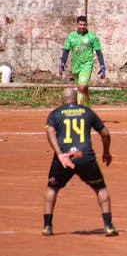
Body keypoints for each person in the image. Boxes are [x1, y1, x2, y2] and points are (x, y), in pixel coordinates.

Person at [43, 87, 117, 236]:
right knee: (100, 189)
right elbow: (105, 133)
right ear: (76, 99)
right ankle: (108, 226)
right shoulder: (87, 111)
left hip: (64, 158)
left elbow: (49, 131)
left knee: (52, 188)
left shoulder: (55, 113)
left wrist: (59, 154)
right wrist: (106, 152)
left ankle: (47, 226)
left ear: (62, 101)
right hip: (85, 157)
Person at [59, 15, 106, 107]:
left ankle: (80, 111)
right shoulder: (71, 36)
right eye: (80, 24)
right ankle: (89, 111)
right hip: (76, 66)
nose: (82, 27)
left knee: (81, 88)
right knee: (83, 89)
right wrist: (62, 63)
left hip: (87, 65)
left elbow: (98, 51)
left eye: (84, 25)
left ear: (87, 25)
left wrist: (102, 66)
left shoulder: (92, 37)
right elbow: (66, 50)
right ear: (76, 24)